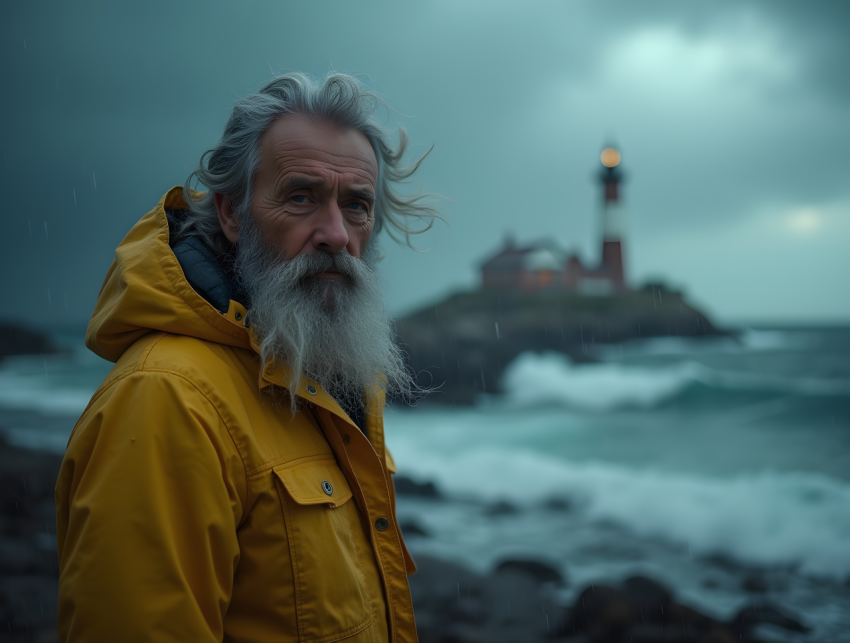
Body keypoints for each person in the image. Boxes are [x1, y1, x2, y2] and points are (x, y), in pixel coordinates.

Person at [54, 72, 438, 643]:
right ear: (232, 213)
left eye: (356, 205)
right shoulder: (167, 399)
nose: (335, 233)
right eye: (301, 196)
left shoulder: (325, 380)